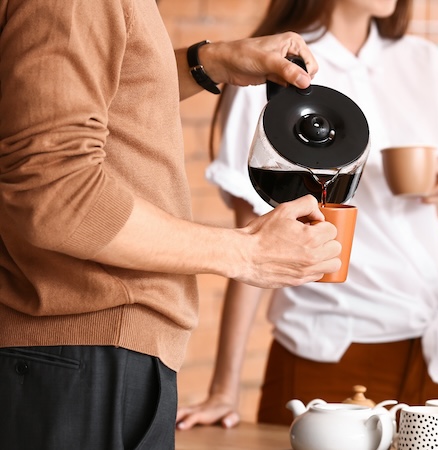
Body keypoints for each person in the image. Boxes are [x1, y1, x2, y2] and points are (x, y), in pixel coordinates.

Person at [0, 1, 342, 448]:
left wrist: (209, 62)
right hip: (80, 354)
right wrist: (246, 252)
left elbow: (112, 86)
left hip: (91, 354)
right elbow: (55, 192)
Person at [175, 0, 438, 429]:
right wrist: (224, 390)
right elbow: (254, 244)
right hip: (332, 351)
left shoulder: (426, 64)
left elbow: (432, 229)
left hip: (433, 351)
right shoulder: (273, 72)